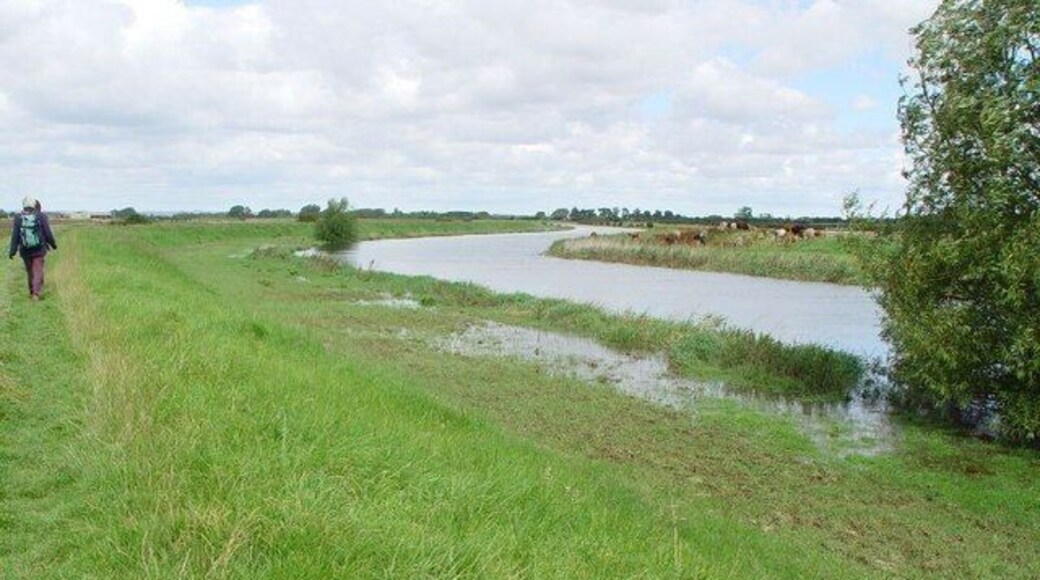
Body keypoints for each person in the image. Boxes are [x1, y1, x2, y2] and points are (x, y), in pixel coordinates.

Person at [9, 196, 58, 301]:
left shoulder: (18, 217)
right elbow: (47, 233)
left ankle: (32, 292)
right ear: (34, 205)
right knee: (38, 270)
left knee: (30, 271)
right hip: (39, 249)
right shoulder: (41, 216)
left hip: (25, 250)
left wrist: (12, 251)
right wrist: (53, 245)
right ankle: (36, 294)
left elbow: (15, 236)